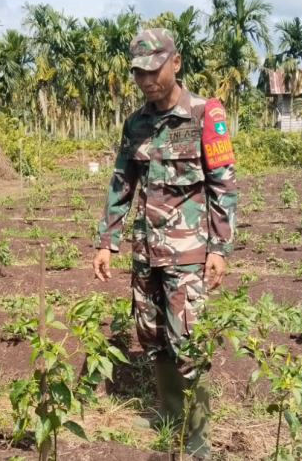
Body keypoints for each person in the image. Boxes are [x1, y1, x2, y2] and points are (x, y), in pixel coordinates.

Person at [92, 29, 237, 460]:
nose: (147, 80)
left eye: (154, 70)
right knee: (152, 335)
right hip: (147, 251)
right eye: (139, 73)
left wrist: (218, 249)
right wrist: (107, 241)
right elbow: (122, 183)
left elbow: (223, 186)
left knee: (188, 341)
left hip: (189, 254)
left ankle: (197, 440)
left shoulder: (205, 114)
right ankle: (170, 414)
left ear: (175, 63)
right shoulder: (136, 123)